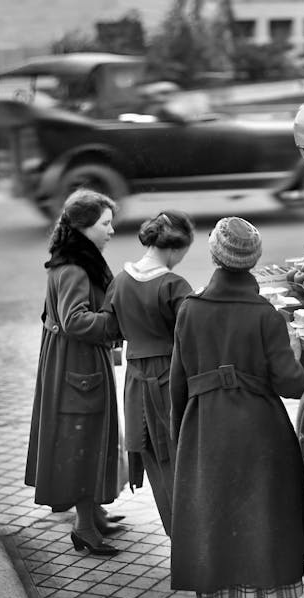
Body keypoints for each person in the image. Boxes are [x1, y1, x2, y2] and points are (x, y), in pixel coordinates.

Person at [169, 216, 304, 598]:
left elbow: (177, 382)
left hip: (206, 428)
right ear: (252, 262)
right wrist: (294, 350)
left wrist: (181, 433)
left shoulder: (189, 310)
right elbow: (291, 384)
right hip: (260, 429)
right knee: (268, 516)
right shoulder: (266, 316)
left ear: (214, 255)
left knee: (222, 518)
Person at [26, 188, 124, 556]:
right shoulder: (75, 267)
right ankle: (84, 528)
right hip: (77, 365)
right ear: (84, 227)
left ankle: (93, 513)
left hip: (74, 363)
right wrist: (115, 323)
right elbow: (74, 320)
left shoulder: (71, 259)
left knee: (89, 437)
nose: (111, 230)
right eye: (105, 223)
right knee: (83, 441)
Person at [102, 210, 194, 537]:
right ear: (176, 247)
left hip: (135, 379)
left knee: (153, 456)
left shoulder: (120, 280)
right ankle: (190, 534)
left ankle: (175, 531)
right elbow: (193, 334)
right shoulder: (173, 285)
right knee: (181, 454)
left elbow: (110, 326)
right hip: (170, 375)